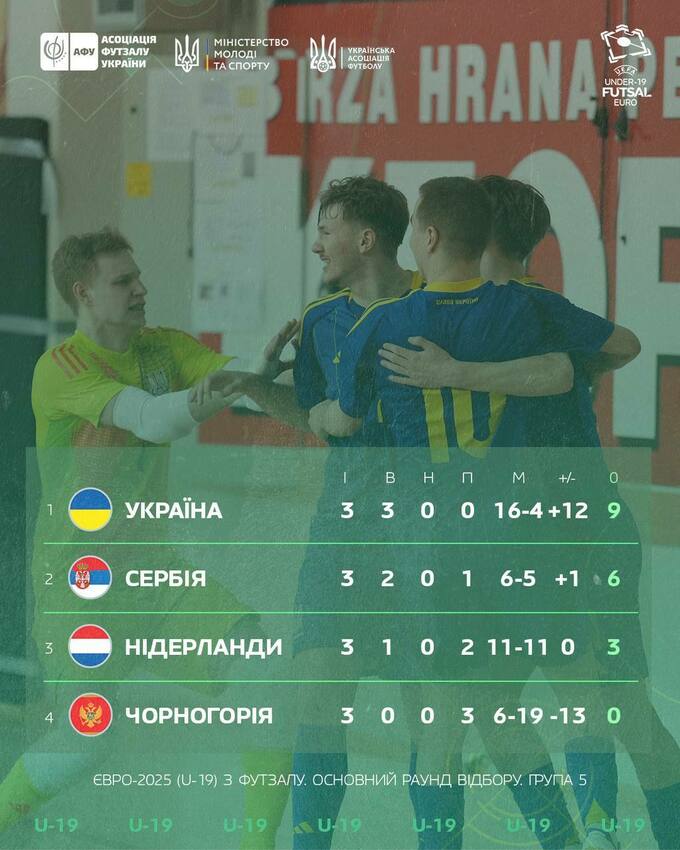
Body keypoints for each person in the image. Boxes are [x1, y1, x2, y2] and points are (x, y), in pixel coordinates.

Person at [199, 176, 588, 850]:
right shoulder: (321, 321)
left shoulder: (442, 301)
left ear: (365, 238)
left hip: (431, 537)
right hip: (344, 533)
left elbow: (535, 382)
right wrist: (260, 389)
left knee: (437, 721)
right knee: (319, 695)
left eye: (326, 230)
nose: (317, 244)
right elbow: (319, 420)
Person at [375, 176, 680, 850]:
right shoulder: (469, 314)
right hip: (517, 541)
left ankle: (602, 831)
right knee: (491, 709)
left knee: (614, 703)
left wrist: (524, 372)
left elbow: (619, 347)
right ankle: (578, 837)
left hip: (577, 531)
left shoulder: (529, 309)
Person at [0, 228, 293, 850]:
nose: (141, 289)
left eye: (138, 277)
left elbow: (234, 377)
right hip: (78, 585)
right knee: (87, 742)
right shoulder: (61, 369)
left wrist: (261, 375)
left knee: (266, 676)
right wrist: (223, 393)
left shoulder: (162, 347)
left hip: (155, 574)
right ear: (83, 292)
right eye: (123, 281)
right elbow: (153, 417)